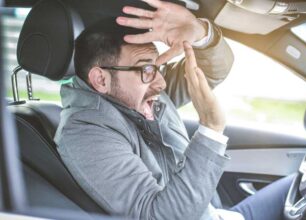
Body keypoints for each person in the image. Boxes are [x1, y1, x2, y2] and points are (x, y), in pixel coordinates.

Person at [54, 0, 293, 219]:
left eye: (158, 67)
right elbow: (160, 216)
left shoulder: (138, 91)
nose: (161, 83)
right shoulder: (85, 132)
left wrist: (200, 33)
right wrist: (211, 129)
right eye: (146, 70)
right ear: (101, 80)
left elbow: (215, 69)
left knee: (304, 182)